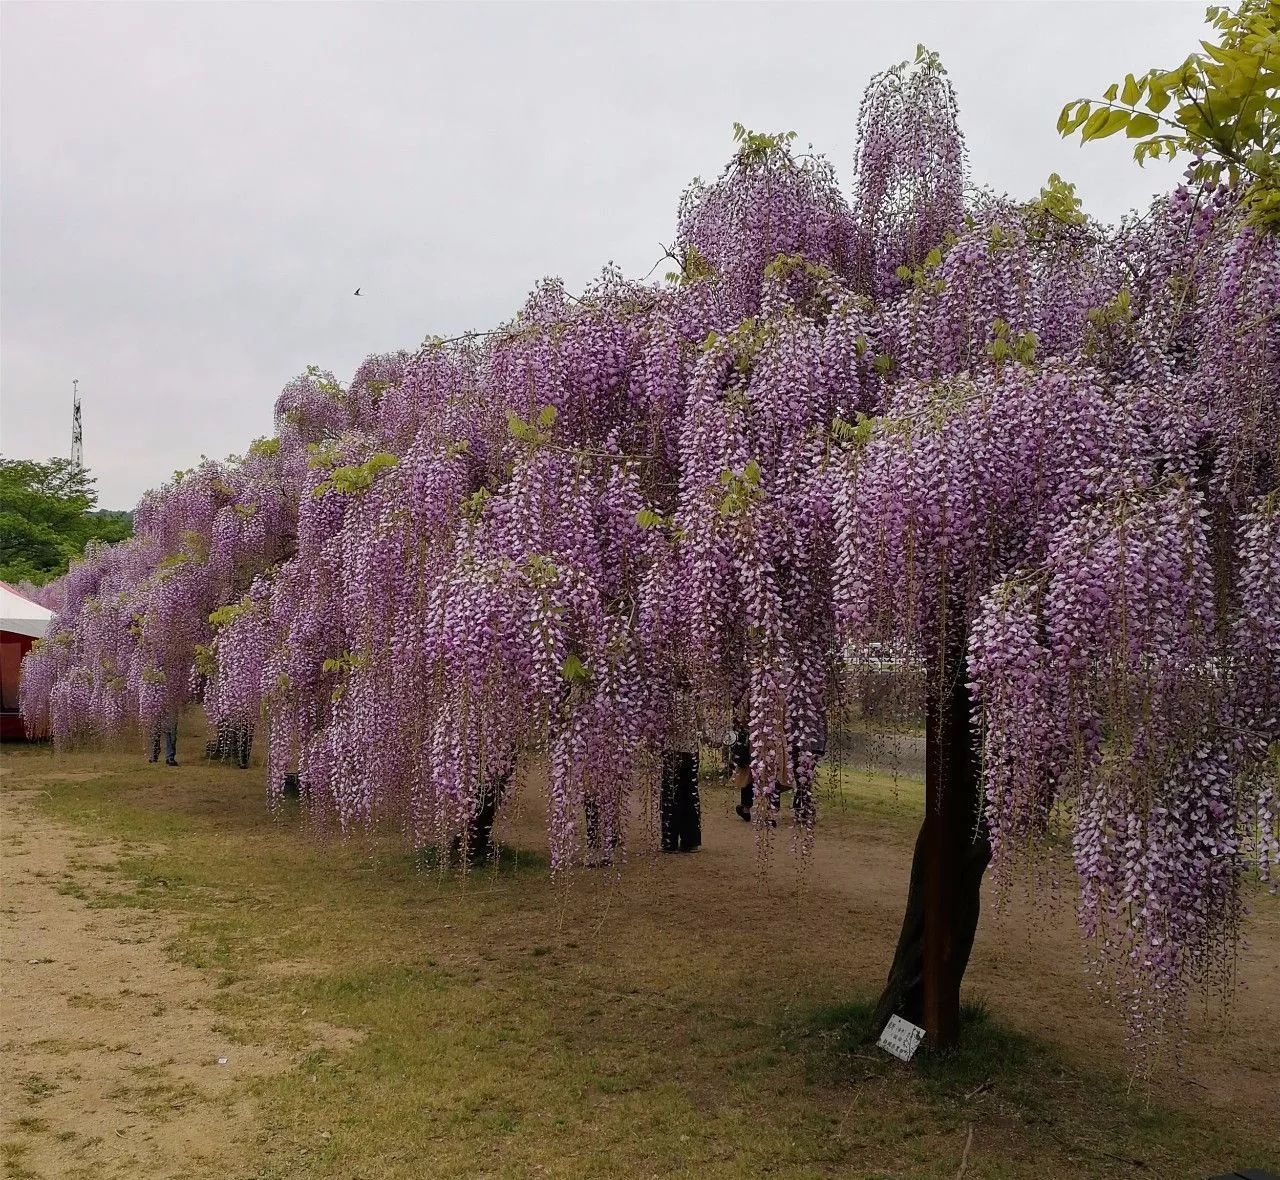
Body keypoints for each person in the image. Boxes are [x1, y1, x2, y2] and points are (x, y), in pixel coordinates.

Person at [660, 684, 701, 852]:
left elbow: (667, 725)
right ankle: (689, 841)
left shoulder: (668, 697)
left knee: (671, 796)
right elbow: (701, 723)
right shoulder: (694, 696)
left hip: (673, 752)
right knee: (689, 795)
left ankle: (669, 841)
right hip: (690, 751)